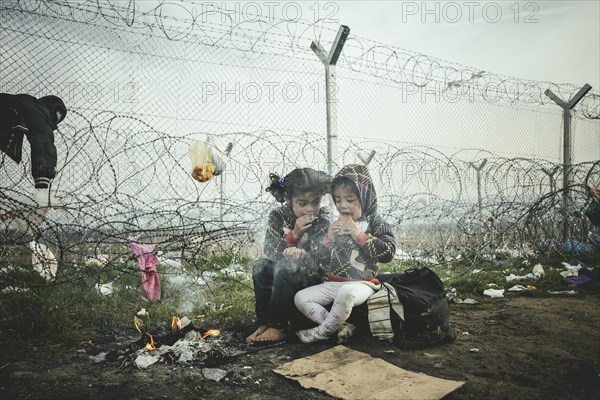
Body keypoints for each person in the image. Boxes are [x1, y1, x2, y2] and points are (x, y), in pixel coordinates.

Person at [294, 164, 396, 343]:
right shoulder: (336, 224)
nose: (343, 206)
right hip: (334, 282)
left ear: (364, 197)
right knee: (301, 297)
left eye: (350, 199)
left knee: (346, 293)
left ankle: (322, 332)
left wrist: (360, 236)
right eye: (338, 200)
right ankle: (339, 327)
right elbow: (321, 261)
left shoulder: (375, 223)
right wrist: (328, 239)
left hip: (362, 284)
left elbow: (388, 253)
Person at [246, 168, 330, 344]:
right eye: (302, 203)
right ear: (288, 200)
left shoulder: (321, 221)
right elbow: (270, 248)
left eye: (315, 202)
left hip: (310, 279)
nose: (310, 209)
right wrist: (294, 235)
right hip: (284, 276)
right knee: (261, 266)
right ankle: (264, 323)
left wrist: (303, 255)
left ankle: (279, 326)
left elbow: (320, 257)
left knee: (287, 266)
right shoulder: (278, 215)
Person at [0, 93, 67, 189]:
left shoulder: (26, 104)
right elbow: (43, 141)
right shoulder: (40, 112)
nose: (54, 121)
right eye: (55, 117)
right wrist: (43, 175)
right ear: (51, 109)